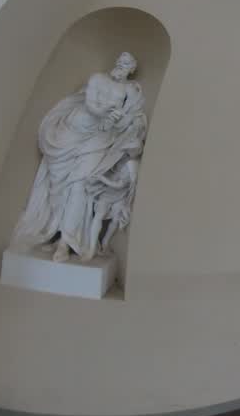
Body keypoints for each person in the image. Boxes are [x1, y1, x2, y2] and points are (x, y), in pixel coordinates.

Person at [13, 52, 148, 262]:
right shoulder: (97, 79)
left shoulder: (130, 90)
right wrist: (104, 113)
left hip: (102, 138)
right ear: (115, 63)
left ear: (131, 70)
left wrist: (124, 122)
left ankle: (65, 243)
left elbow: (133, 115)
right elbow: (91, 103)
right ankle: (54, 230)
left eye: (127, 65)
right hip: (78, 130)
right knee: (60, 186)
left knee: (80, 186)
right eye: (121, 62)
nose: (122, 67)